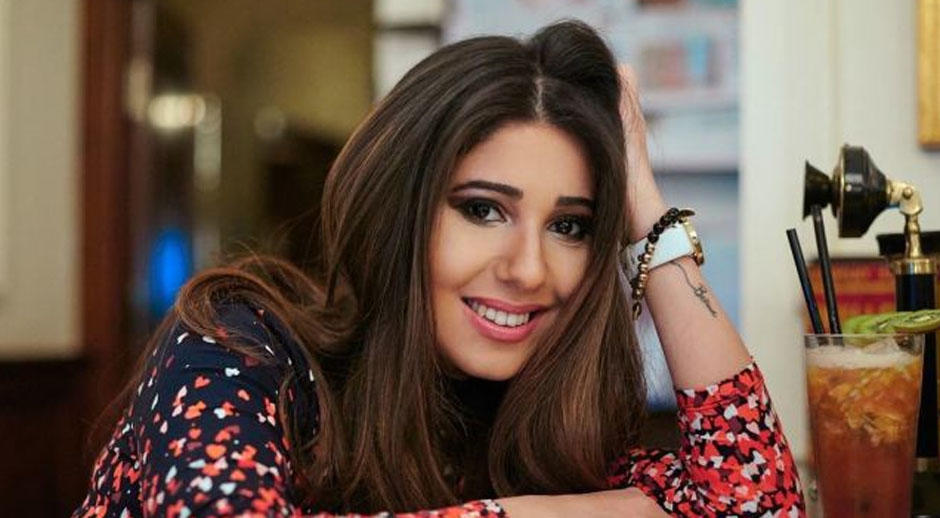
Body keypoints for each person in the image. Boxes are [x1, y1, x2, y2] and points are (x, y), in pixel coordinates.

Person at [73, 20, 804, 518]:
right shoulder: (234, 345)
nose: (529, 270)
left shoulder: (531, 419)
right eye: (483, 210)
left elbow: (756, 504)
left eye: (570, 226)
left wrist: (646, 207)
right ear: (402, 211)